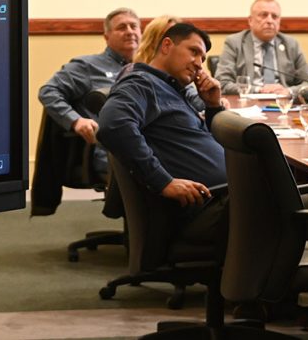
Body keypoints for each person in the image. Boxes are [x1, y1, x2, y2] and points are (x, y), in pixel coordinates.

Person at [97, 23, 228, 246]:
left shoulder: (171, 89)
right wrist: (163, 182)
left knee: (296, 201)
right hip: (203, 209)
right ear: (167, 45)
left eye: (203, 59)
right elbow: (112, 125)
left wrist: (213, 106)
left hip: (220, 199)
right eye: (193, 52)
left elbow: (204, 142)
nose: (199, 64)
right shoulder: (142, 83)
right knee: (300, 206)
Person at [38, 8, 141, 147]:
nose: (129, 32)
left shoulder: (146, 68)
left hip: (143, 146)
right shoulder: (87, 66)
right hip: (109, 152)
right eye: (122, 27)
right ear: (107, 37)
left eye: (134, 26)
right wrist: (76, 121)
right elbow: (48, 91)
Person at [215, 0, 308, 95]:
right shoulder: (234, 43)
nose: (269, 21)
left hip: (283, 103)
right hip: (248, 102)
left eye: (274, 16)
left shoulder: (291, 44)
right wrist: (259, 89)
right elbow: (222, 83)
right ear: (250, 20)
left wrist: (289, 91)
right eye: (263, 15)